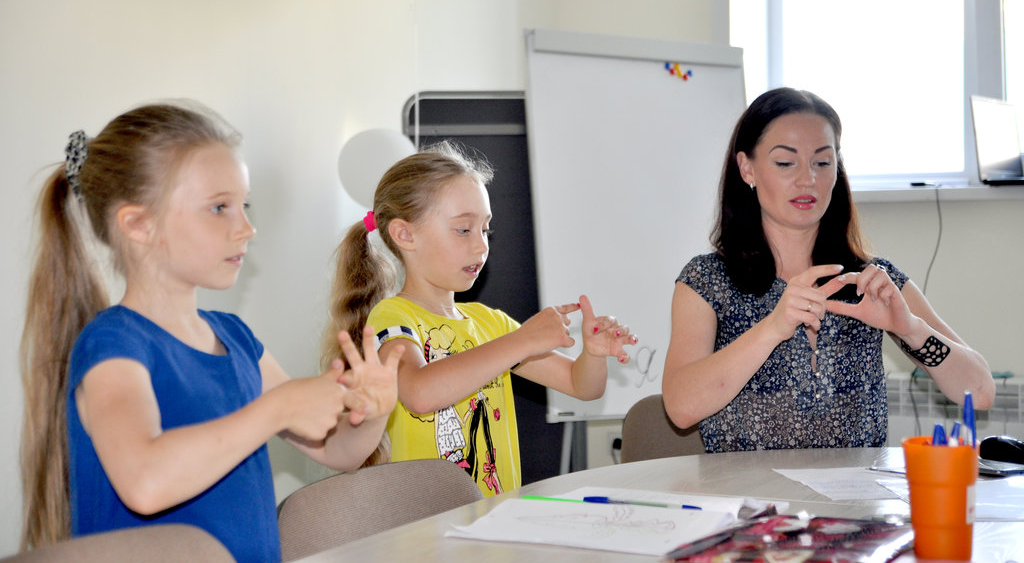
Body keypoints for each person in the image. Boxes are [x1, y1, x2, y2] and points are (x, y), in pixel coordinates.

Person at [19, 103, 401, 562]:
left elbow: (338, 451)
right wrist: (277, 408)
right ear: (138, 224)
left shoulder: (236, 339)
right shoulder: (113, 345)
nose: (247, 228)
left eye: (244, 206)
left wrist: (374, 411)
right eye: (219, 208)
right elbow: (145, 482)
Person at [662, 87, 995, 453]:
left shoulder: (871, 279)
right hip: (746, 490)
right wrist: (772, 328)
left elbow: (980, 391)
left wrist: (911, 329)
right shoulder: (707, 281)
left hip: (855, 490)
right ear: (747, 168)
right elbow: (680, 408)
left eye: (822, 162)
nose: (808, 179)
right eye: (785, 163)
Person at [322, 141, 636, 495]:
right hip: (428, 524)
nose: (482, 245)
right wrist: (523, 341)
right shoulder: (392, 316)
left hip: (495, 518)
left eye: (485, 229)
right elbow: (420, 393)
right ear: (405, 234)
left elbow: (583, 386)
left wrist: (593, 354)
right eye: (463, 229)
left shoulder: (491, 323)